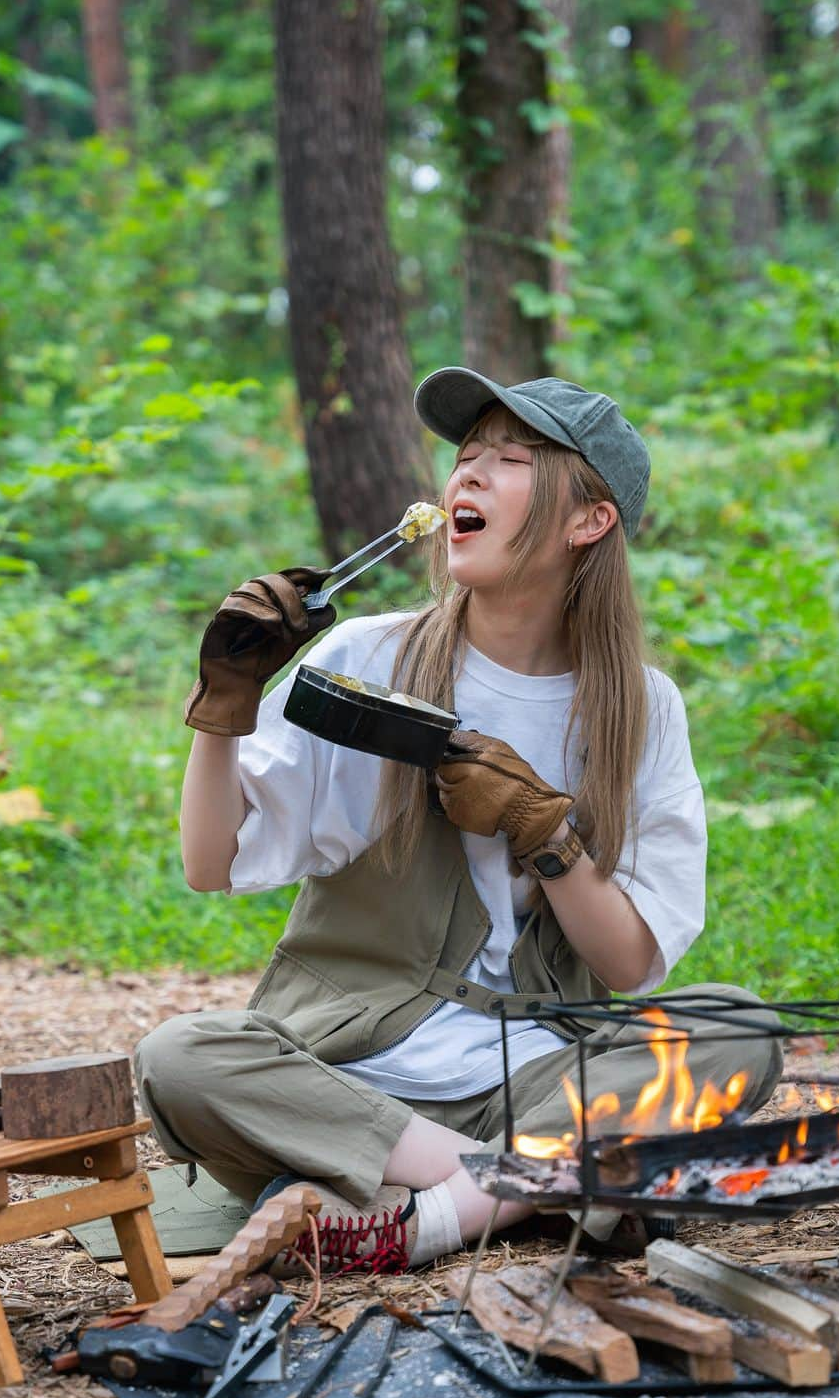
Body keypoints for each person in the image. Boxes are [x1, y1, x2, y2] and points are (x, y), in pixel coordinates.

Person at [135, 368, 783, 1274]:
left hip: (540, 1079)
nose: (465, 478)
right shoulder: (369, 658)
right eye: (464, 458)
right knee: (181, 1055)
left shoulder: (639, 706)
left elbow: (631, 963)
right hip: (347, 1077)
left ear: (587, 520)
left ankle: (422, 1211)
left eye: (508, 462)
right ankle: (532, 1191)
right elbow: (211, 861)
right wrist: (224, 708)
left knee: (737, 1029)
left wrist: (544, 834)